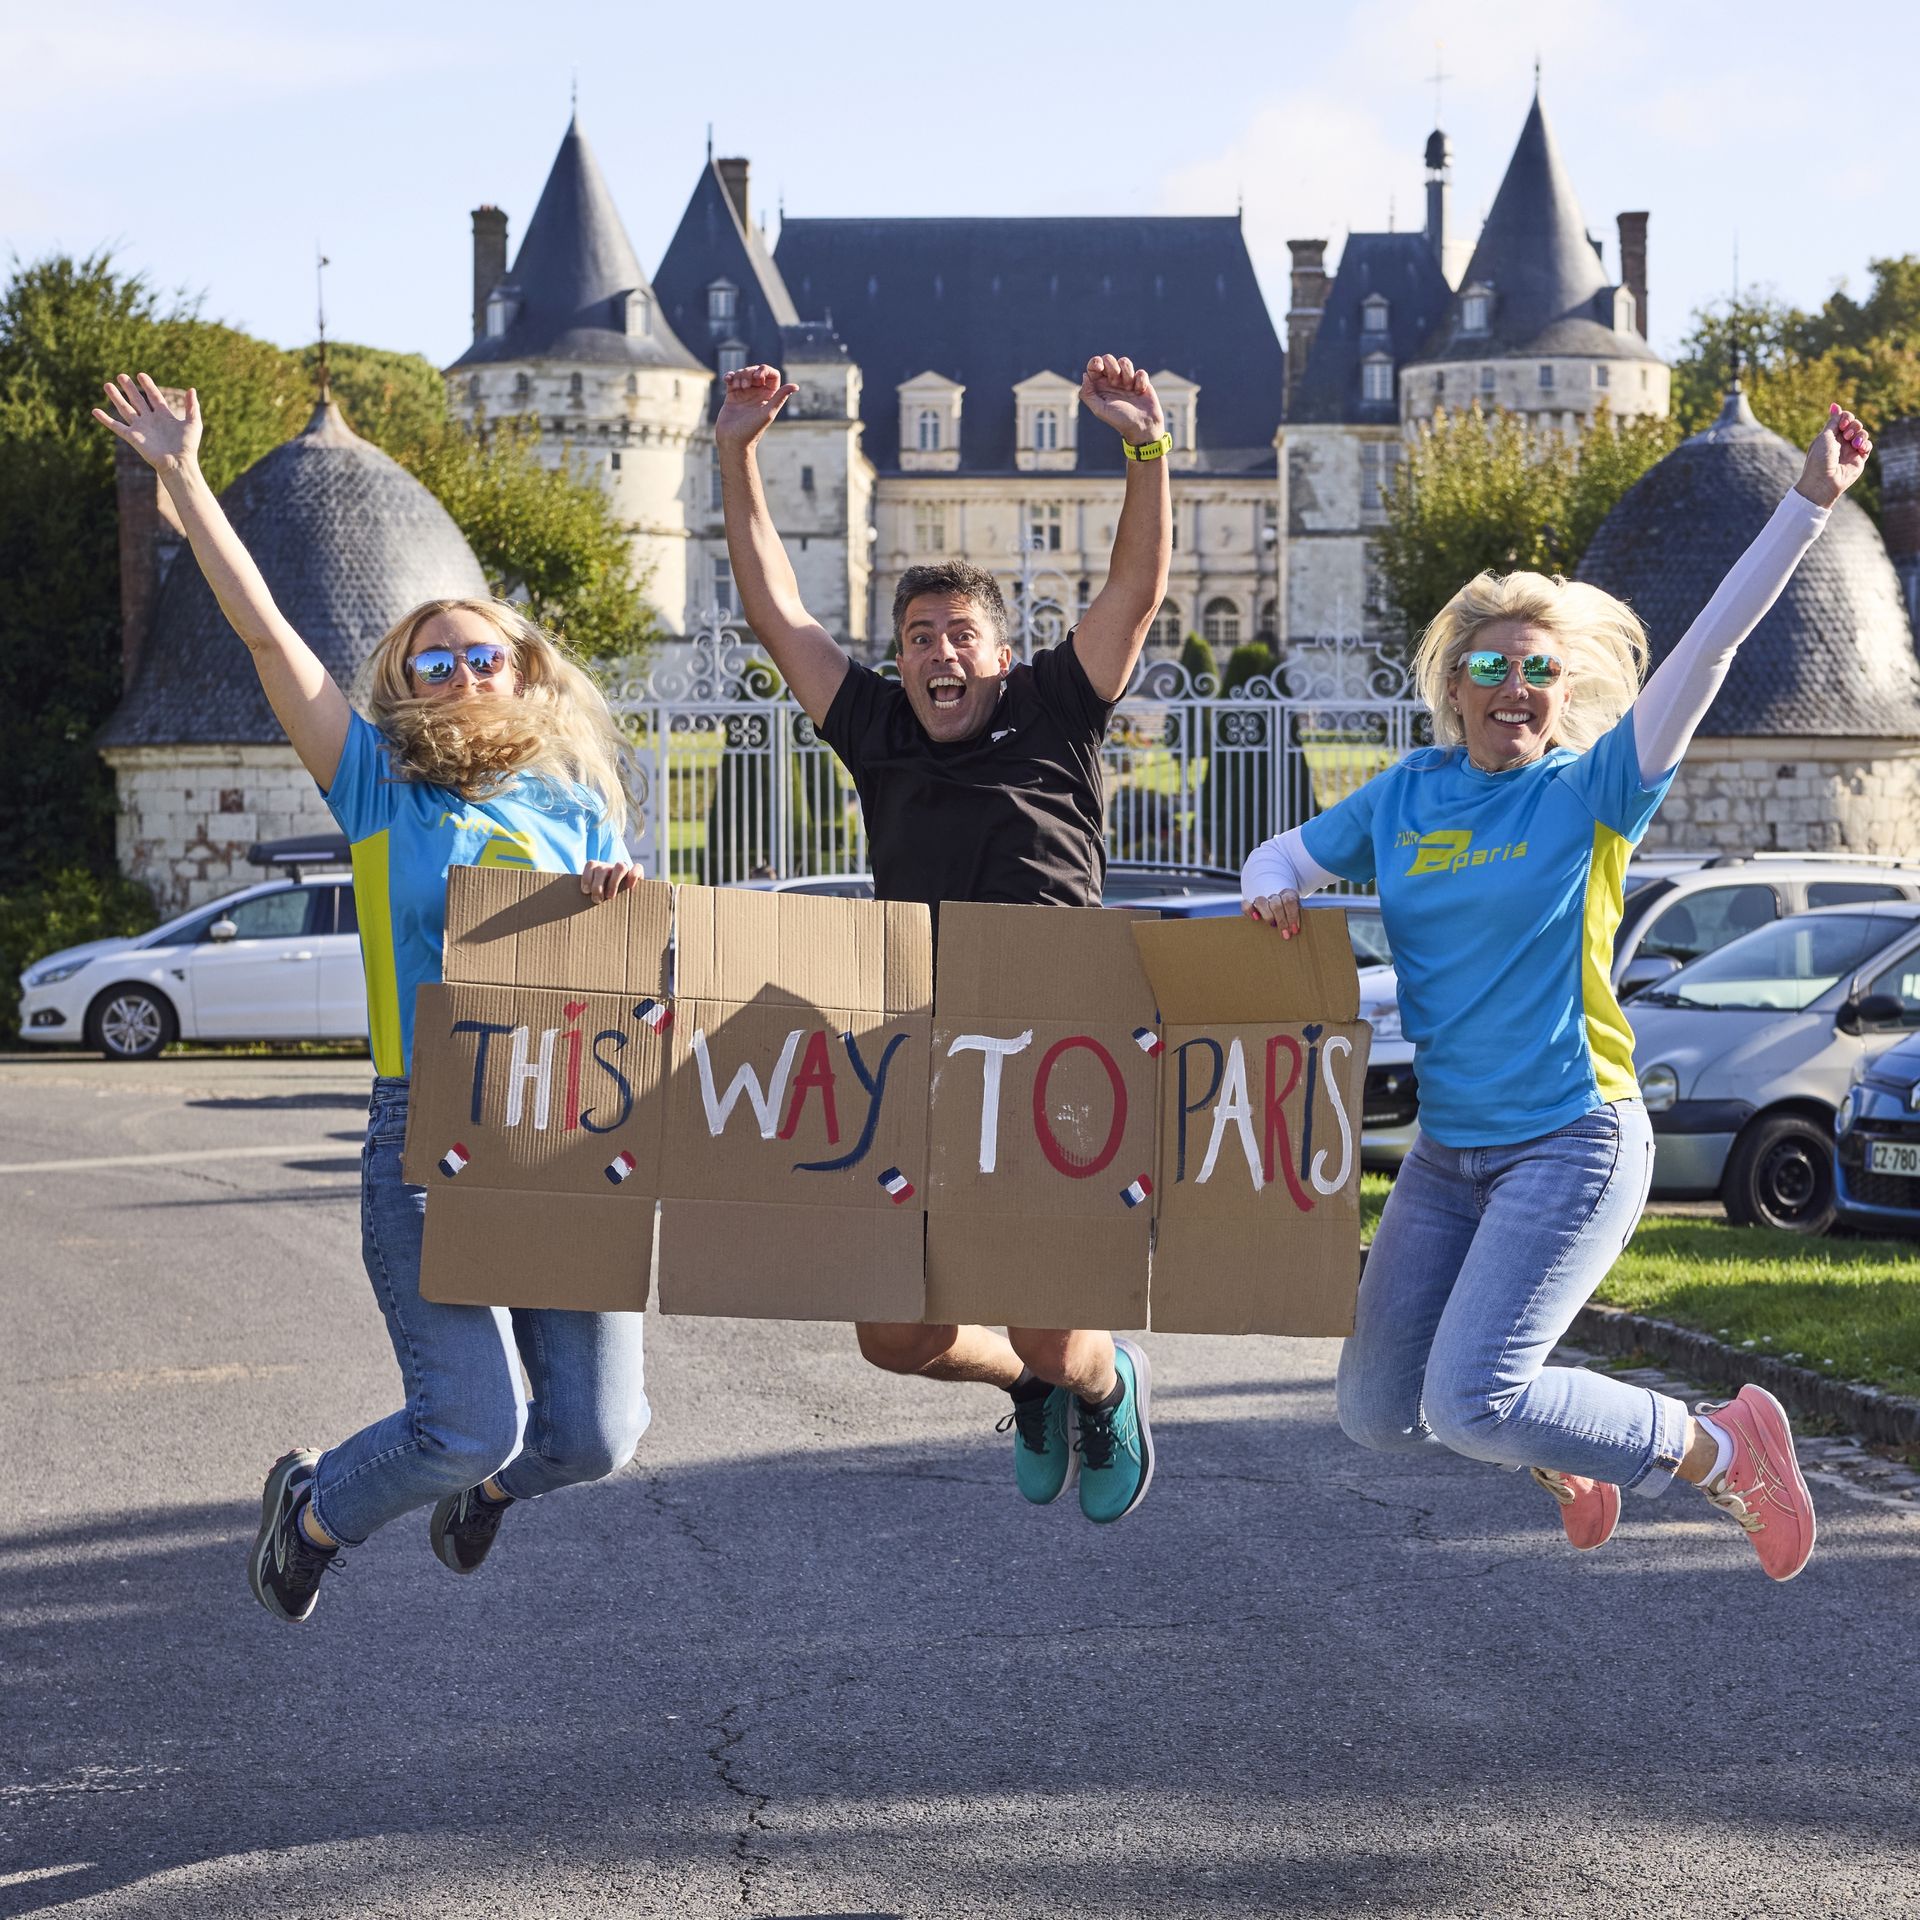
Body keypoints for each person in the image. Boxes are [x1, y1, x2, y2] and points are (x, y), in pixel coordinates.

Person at [1242, 404, 1875, 1581]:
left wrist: (1808, 503)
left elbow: (1711, 652)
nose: (1515, 687)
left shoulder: (1595, 790)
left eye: (1540, 669)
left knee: (1472, 1400)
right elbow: (1279, 854)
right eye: (1492, 666)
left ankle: (1717, 1444)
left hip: (1571, 1138)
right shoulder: (1408, 794)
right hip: (1448, 1156)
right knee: (1380, 1414)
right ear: (1457, 683)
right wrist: (1273, 888)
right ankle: (1567, 1451)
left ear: (1562, 687)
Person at [94, 374, 653, 1622]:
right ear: (405, 684)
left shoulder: (580, 808)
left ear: (521, 673)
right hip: (428, 1136)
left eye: (479, 654)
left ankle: (486, 1500)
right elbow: (266, 636)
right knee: (468, 1423)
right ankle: (313, 1509)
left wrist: (625, 900)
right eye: (431, 657)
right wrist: (184, 479)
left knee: (594, 1437)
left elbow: (638, 988)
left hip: (568, 1135)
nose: (457, 671)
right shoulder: (375, 791)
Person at [715, 355, 1172, 1523]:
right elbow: (778, 610)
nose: (937, 653)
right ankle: (1030, 1383)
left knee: (1051, 1324)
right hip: (923, 1052)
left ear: (999, 655)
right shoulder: (874, 727)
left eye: (960, 633)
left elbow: (1132, 588)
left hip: (1061, 1053)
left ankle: (1101, 1381)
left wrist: (1144, 449)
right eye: (918, 636)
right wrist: (734, 453)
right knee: (898, 1335)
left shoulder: (1056, 712)